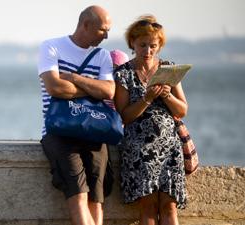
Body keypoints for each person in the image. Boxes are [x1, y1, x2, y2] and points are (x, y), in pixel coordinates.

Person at [37, 5, 114, 225]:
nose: (107, 36)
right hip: (59, 131)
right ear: (86, 25)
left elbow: (108, 91)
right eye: (102, 30)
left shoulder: (103, 56)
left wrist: (74, 78)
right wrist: (92, 90)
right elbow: (55, 88)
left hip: (95, 132)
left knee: (96, 199)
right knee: (78, 194)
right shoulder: (51, 47)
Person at [113, 15, 188, 225]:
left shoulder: (169, 69)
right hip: (139, 149)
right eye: (142, 45)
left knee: (169, 207)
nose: (148, 51)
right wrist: (146, 99)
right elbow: (124, 115)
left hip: (169, 148)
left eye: (153, 46)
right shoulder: (124, 73)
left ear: (160, 46)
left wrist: (167, 95)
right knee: (148, 207)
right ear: (132, 44)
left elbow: (182, 110)